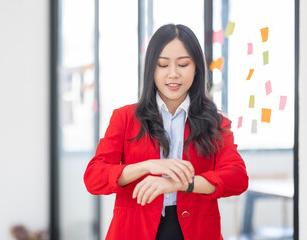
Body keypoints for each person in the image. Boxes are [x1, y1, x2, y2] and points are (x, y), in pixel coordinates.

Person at [84, 23, 249, 240]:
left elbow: (237, 178)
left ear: (196, 68)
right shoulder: (125, 118)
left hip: (196, 231)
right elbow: (94, 178)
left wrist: (182, 183)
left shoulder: (216, 123)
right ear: (151, 68)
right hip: (134, 231)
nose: (173, 74)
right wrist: (147, 166)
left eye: (183, 64)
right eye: (163, 65)